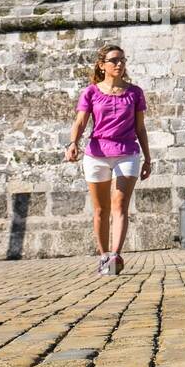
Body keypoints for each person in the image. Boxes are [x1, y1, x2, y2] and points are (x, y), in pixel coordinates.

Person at [64, 45, 151, 274]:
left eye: (123, 60)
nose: (120, 64)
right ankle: (103, 257)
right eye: (114, 60)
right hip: (97, 155)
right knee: (101, 209)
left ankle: (115, 255)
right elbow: (81, 122)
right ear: (102, 65)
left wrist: (148, 159)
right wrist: (73, 143)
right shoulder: (91, 92)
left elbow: (140, 128)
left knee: (120, 205)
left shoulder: (135, 93)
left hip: (127, 153)